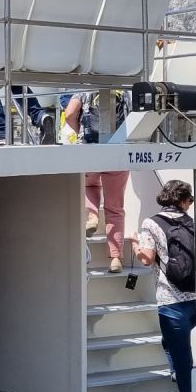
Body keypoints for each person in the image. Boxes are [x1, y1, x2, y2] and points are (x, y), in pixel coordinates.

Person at [135, 179, 196, 392]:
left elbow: (147, 258)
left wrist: (135, 246)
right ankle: (179, 379)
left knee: (182, 359)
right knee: (171, 342)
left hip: (171, 300)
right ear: (183, 201)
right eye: (190, 200)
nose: (190, 204)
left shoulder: (151, 223)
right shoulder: (193, 222)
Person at [66, 91, 128, 272]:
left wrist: (79, 132)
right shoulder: (124, 90)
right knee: (115, 208)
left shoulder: (84, 89)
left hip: (90, 149)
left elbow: (69, 114)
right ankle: (115, 258)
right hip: (118, 151)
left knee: (89, 184)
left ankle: (92, 217)